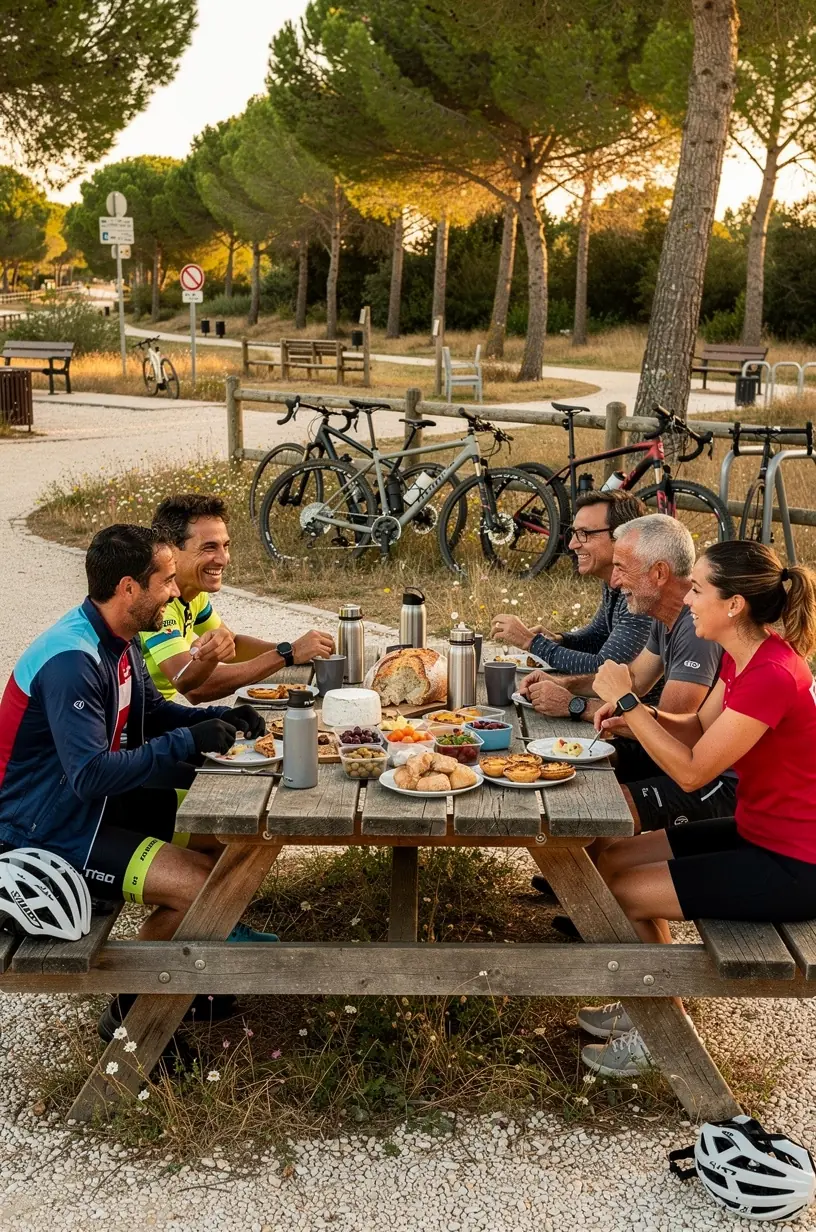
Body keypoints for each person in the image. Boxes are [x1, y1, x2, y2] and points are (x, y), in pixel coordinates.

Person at [0, 524, 278, 1039]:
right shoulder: (71, 661)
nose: (175, 592)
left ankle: (182, 982)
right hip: (48, 827)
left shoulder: (120, 639)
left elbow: (147, 713)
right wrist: (188, 743)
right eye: (167, 581)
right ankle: (133, 1017)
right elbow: (88, 776)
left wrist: (219, 720)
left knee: (223, 841)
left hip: (95, 804)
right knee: (201, 888)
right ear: (130, 588)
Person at [577, 540, 816, 1077]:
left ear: (733, 605)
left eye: (699, 590)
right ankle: (648, 1001)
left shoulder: (772, 675)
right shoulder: (745, 657)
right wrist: (635, 718)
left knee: (625, 892)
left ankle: (661, 1030)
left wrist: (634, 703)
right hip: (759, 832)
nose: (688, 600)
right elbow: (699, 729)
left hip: (797, 864)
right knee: (611, 857)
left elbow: (691, 771)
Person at [141, 494, 335, 702]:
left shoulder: (192, 590)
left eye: (225, 546)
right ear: (170, 549)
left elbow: (234, 645)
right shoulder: (154, 599)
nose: (223, 559)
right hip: (137, 727)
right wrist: (288, 654)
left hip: (158, 715)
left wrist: (295, 649)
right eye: (209, 547)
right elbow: (195, 687)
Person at [491, 490, 653, 685]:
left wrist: (531, 642)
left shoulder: (642, 592)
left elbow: (602, 670)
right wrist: (559, 639)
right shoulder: (614, 582)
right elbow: (598, 635)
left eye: (585, 534)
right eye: (574, 533)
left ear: (622, 536)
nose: (572, 544)